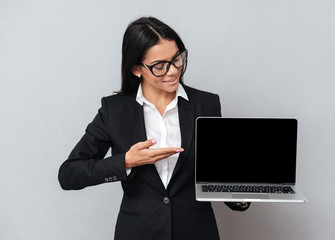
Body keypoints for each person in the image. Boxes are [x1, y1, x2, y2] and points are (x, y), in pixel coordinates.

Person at [58, 16, 249, 240]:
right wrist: (126, 161)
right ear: (137, 69)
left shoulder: (207, 104)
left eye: (177, 59)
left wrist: (239, 195)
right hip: (138, 232)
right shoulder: (114, 111)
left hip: (197, 231)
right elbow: (69, 174)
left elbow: (217, 171)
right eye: (159, 66)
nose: (173, 71)